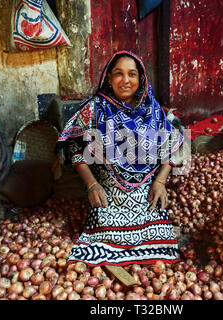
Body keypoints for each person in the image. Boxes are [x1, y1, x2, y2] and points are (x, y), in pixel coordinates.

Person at [58, 51, 183, 266]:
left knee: (159, 240)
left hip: (147, 194)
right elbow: (72, 145)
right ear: (108, 77)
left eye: (132, 74)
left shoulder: (151, 108)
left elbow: (173, 144)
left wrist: (161, 181)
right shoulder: (95, 108)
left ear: (140, 78)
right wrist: (91, 185)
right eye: (119, 74)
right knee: (104, 239)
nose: (126, 81)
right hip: (109, 195)